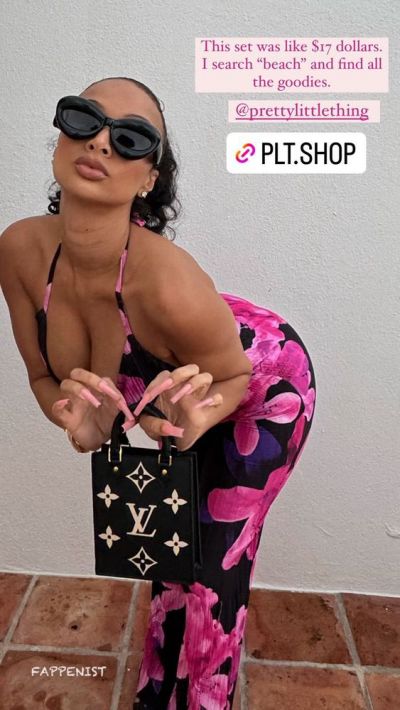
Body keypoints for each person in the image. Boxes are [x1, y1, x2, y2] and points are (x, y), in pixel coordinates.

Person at [0, 76, 316, 709]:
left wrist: (192, 425)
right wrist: (85, 430)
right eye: (84, 118)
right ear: (60, 138)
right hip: (181, 384)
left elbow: (232, 375)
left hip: (260, 386)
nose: (101, 143)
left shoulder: (166, 281)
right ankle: (157, 691)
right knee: (170, 553)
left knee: (212, 574)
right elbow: (43, 378)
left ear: (149, 178)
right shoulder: (19, 251)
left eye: (131, 138)